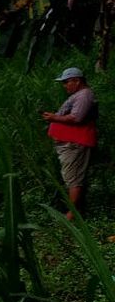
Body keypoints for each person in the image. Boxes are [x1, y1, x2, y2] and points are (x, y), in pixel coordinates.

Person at [41, 67, 99, 219]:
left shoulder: (84, 95)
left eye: (66, 82)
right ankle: (75, 212)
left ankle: (72, 215)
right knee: (72, 177)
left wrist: (54, 118)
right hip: (70, 144)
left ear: (77, 81)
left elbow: (76, 118)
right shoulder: (79, 95)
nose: (65, 85)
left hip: (75, 143)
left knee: (74, 179)